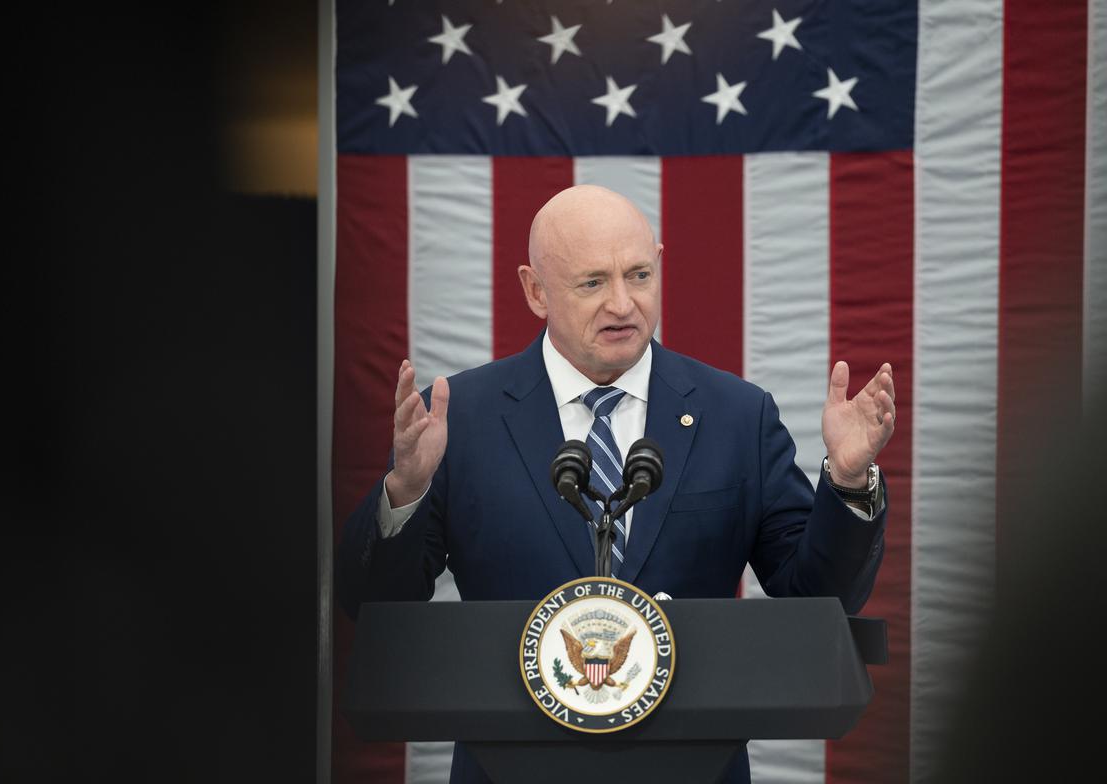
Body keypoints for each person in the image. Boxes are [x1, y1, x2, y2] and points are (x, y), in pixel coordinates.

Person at [337, 184, 896, 784]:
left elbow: (816, 596)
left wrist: (847, 478)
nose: (623, 304)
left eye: (639, 274)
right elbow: (372, 605)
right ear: (535, 290)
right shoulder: (461, 419)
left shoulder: (737, 415)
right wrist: (406, 490)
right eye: (592, 283)